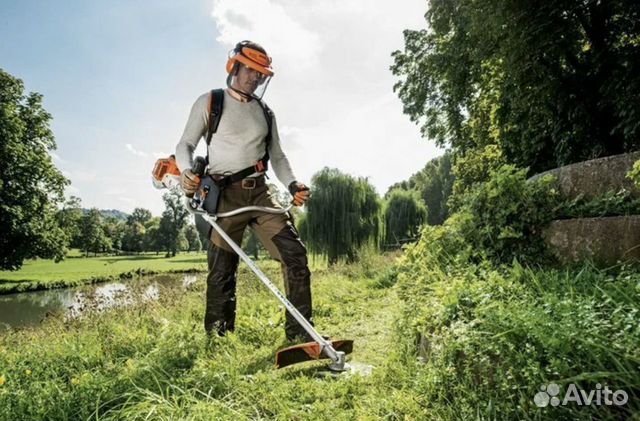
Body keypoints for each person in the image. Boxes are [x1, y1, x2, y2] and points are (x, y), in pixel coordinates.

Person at [175, 40, 313, 342]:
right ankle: (219, 340)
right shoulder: (211, 102)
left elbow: (277, 156)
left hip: (260, 195)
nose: (256, 78)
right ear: (235, 66)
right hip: (223, 196)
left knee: (295, 256)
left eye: (261, 73)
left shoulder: (266, 113)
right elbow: (185, 145)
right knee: (222, 272)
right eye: (251, 70)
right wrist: (186, 171)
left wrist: (293, 184)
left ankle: (301, 336)